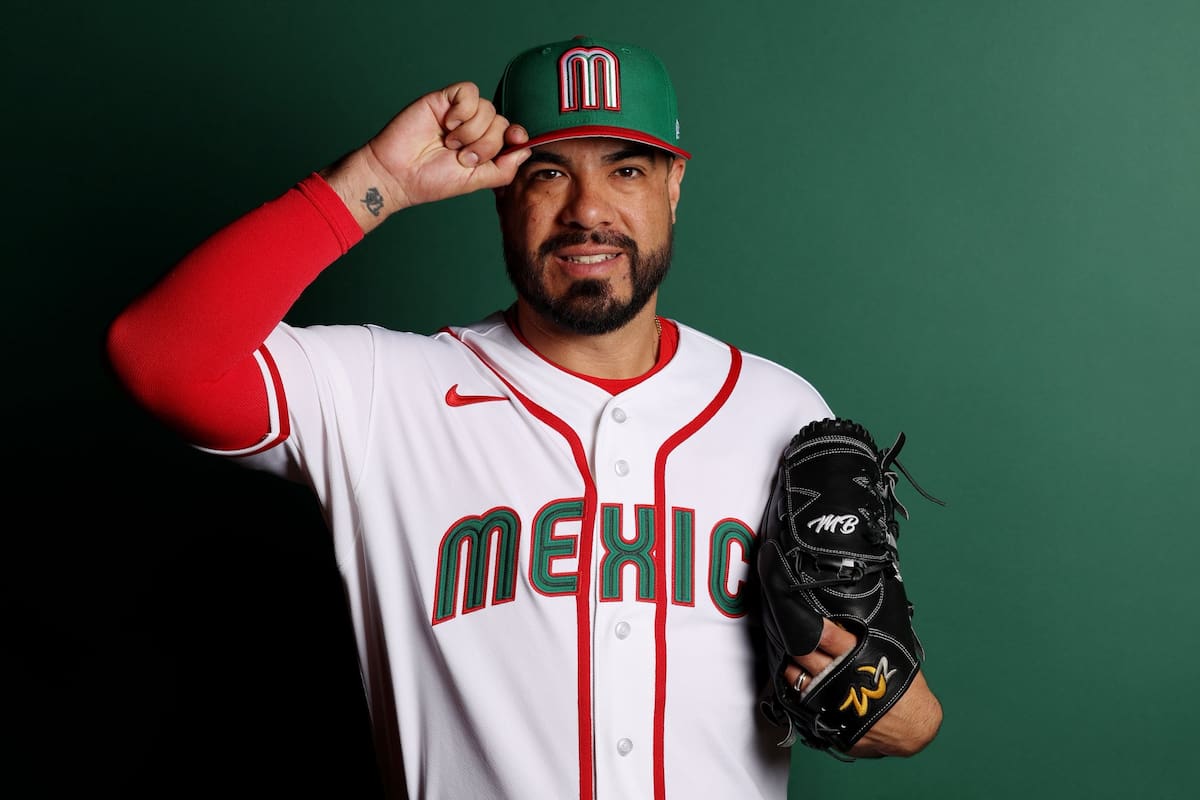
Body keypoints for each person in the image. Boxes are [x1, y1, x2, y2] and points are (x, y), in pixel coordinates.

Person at [107, 35, 941, 800]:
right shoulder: (385, 393)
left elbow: (876, 691)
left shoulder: (779, 407)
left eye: (626, 169)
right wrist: (380, 183)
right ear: (499, 194)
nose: (587, 210)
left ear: (674, 187)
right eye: (547, 172)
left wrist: (893, 707)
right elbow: (161, 357)